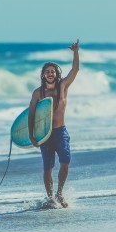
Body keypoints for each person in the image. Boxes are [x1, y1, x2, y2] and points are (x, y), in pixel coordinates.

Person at [28, 39, 80, 207]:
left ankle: (59, 193)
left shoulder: (63, 86)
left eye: (53, 71)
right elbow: (31, 114)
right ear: (43, 75)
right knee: (47, 168)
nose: (50, 73)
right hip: (45, 134)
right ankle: (50, 197)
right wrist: (31, 136)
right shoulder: (38, 93)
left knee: (65, 162)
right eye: (47, 71)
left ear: (57, 74)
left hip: (60, 132)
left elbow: (75, 70)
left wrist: (76, 52)